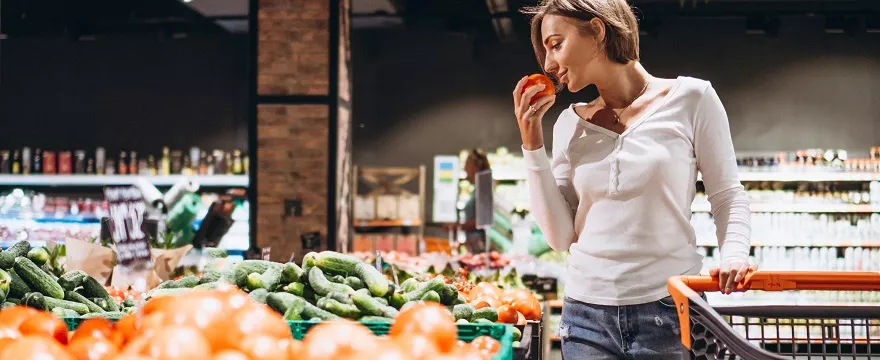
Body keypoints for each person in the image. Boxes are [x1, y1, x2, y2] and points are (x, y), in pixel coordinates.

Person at [513, 0, 755, 358]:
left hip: (671, 309)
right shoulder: (569, 124)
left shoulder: (692, 99)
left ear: (596, 31)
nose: (549, 66)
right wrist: (531, 141)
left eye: (555, 44)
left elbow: (727, 196)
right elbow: (560, 236)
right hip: (585, 316)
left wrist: (734, 254)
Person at [458, 149, 493, 253]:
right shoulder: (478, 188)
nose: (464, 169)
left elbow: (484, 219)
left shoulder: (483, 189)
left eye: (467, 164)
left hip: (481, 246)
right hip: (474, 245)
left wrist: (458, 226)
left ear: (475, 166)